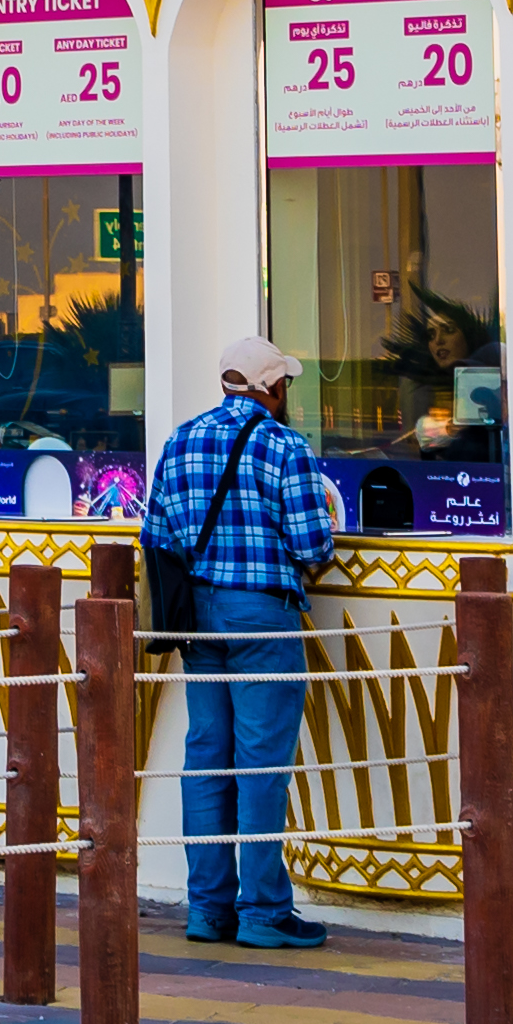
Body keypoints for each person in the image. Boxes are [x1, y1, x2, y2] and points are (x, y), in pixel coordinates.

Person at [141, 333, 342, 949]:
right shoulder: (286, 446)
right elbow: (314, 546)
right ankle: (262, 913)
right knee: (262, 766)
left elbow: (156, 534)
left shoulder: (179, 441)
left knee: (206, 759)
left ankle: (208, 909)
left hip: (198, 617)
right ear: (271, 387)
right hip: (262, 617)